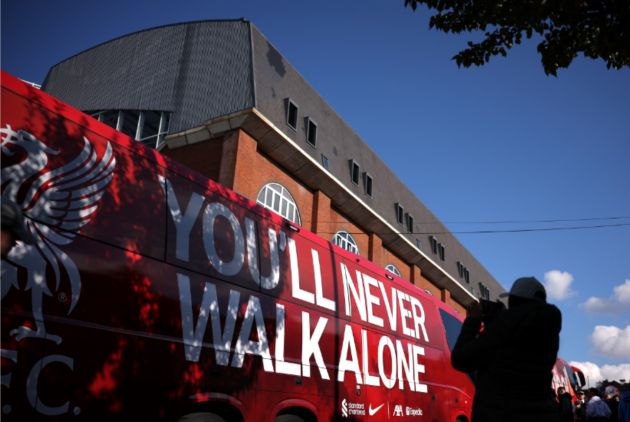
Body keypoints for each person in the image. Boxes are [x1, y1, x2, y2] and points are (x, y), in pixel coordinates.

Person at [451, 276, 562, 422]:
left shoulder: (505, 325)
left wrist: (473, 321)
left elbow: (461, 359)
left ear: (515, 300)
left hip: (500, 413)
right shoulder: (549, 332)